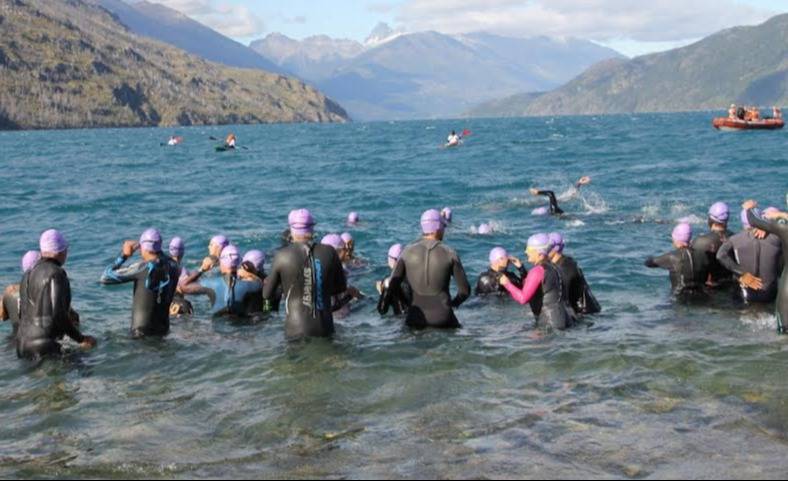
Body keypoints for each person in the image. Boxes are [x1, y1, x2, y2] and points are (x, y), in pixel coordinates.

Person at [262, 209, 348, 339]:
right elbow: (340, 288)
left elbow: (267, 295)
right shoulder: (330, 251)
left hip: (295, 329)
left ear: (292, 230)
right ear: (312, 229)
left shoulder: (282, 256)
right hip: (325, 328)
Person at [17, 230, 96, 359]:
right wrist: (81, 339)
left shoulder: (27, 275)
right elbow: (58, 314)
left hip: (21, 346)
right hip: (44, 347)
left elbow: (23, 314)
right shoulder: (56, 273)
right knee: (87, 365)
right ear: (61, 251)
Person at [386, 209, 470, 329]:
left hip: (415, 318)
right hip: (443, 318)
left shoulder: (406, 252)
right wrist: (453, 304)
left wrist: (408, 303)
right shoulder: (450, 253)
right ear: (437, 228)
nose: (444, 230)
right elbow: (465, 291)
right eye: (443, 227)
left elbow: (392, 286)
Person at [100, 229, 181, 337]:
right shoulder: (174, 266)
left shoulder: (142, 268)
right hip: (163, 331)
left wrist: (124, 255)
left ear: (144, 248)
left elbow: (105, 277)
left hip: (141, 334)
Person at [500, 234, 576, 330]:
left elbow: (523, 298)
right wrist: (521, 268)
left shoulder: (537, 271)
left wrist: (507, 283)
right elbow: (533, 286)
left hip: (549, 323)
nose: (526, 252)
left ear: (540, 254)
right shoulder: (555, 267)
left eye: (529, 249)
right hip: (565, 319)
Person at [717, 209, 783, 305]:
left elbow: (720, 255)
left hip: (746, 297)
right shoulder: (777, 239)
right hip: (771, 296)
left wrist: (742, 274)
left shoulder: (735, 239)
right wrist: (768, 227)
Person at [744, 201, 788, 334]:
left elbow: (754, 220)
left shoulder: (784, 228)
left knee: (784, 334)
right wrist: (783, 215)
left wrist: (750, 208)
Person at [193, 245, 263, 317]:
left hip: (219, 320)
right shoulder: (256, 286)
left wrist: (201, 269)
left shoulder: (212, 283)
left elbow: (186, 286)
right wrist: (251, 276)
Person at [645, 223, 710, 299]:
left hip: (679, 297)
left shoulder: (671, 257)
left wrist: (649, 258)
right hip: (701, 296)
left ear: (675, 239)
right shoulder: (703, 255)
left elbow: (649, 263)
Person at [548, 233, 601, 315]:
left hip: (585, 312)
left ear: (555, 249)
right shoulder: (562, 263)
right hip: (585, 309)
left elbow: (563, 294)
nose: (543, 250)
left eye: (547, 247)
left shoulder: (566, 266)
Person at [691, 202, 734, 288]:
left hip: (709, 289)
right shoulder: (737, 238)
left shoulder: (699, 242)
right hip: (732, 286)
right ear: (727, 220)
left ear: (709, 220)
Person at [2, 251, 41, 338]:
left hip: (13, 341)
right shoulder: (47, 291)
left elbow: (3, 316)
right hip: (39, 341)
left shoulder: (10, 292)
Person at [321, 234, 362, 318]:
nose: (347, 251)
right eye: (344, 249)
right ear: (336, 252)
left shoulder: (317, 269)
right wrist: (351, 293)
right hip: (340, 317)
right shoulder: (339, 271)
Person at [377, 244, 412, 315]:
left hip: (401, 319)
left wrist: (381, 292)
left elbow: (382, 310)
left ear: (393, 261)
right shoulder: (415, 275)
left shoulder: (389, 281)